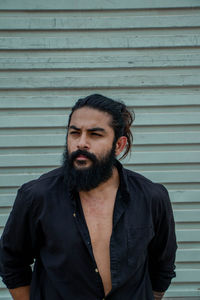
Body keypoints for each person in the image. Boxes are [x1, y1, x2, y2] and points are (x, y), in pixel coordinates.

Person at [0, 94, 177, 300]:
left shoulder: (151, 197)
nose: (81, 143)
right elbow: (11, 262)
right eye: (75, 133)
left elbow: (162, 266)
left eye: (95, 135)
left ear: (118, 145)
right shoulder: (37, 196)